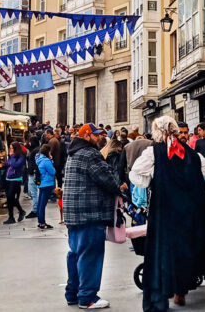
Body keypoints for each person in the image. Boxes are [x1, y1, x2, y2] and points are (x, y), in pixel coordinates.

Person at [130, 116, 205, 310]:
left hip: (164, 211)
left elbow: (136, 173)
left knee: (163, 251)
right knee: (184, 249)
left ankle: (162, 294)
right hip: (188, 211)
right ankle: (180, 291)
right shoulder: (191, 154)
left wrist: (151, 181)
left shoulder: (154, 153)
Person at [63, 123, 125, 309]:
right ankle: (88, 297)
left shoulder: (73, 153)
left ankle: (72, 293)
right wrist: (120, 187)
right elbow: (109, 180)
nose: (100, 138)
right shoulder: (90, 154)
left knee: (75, 253)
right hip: (90, 212)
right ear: (87, 135)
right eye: (97, 135)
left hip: (74, 212)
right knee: (90, 254)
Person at [3, 142, 27, 224]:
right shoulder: (11, 157)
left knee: (11, 197)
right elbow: (8, 165)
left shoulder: (21, 157)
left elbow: (15, 165)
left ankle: (21, 211)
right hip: (8, 179)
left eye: (11, 148)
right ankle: (11, 216)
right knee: (9, 198)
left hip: (16, 179)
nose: (10, 150)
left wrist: (11, 156)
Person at [36, 144, 57, 229]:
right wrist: (51, 160)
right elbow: (53, 172)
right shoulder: (46, 161)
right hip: (47, 183)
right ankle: (42, 223)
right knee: (42, 204)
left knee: (40, 203)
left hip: (41, 183)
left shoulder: (39, 159)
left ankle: (40, 221)